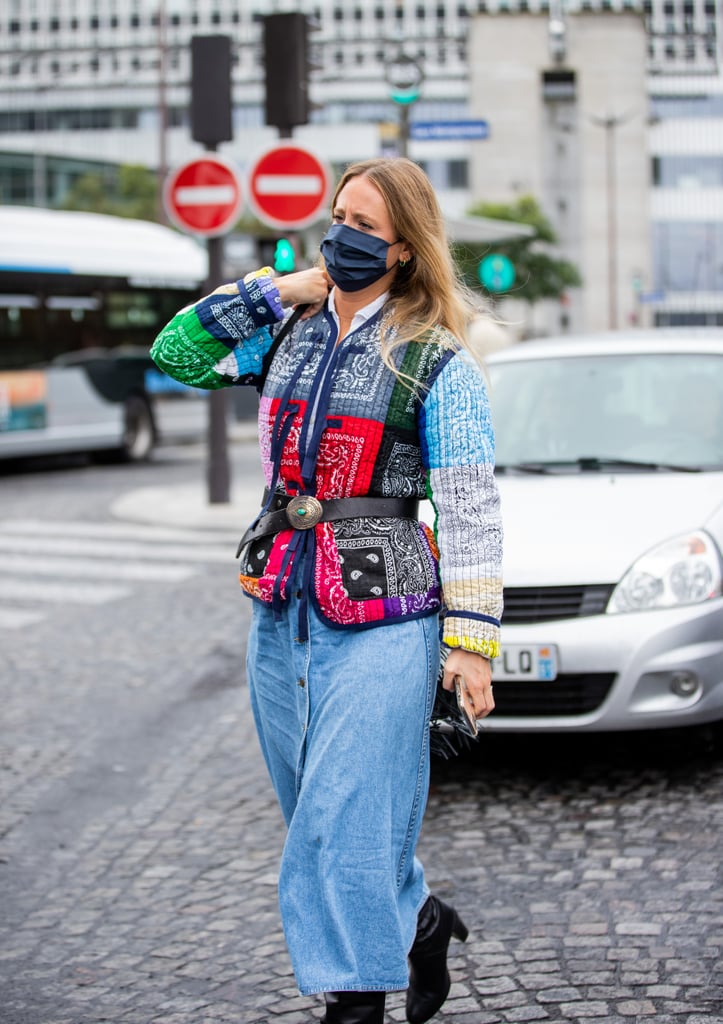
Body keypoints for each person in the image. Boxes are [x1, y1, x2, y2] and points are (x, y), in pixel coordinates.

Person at [151, 157, 503, 1024]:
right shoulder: (288, 330)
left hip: (386, 610)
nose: (340, 235)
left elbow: (466, 503)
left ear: (404, 251)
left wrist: (470, 642)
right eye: (336, 215)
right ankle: (419, 921)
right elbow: (176, 353)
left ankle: (353, 1004)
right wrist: (277, 291)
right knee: (314, 803)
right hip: (282, 599)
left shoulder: (434, 357)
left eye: (362, 226)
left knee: (343, 813)